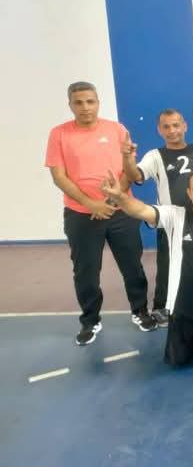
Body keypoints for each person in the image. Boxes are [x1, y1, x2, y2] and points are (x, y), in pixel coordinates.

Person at [45, 81, 156, 346]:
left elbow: (129, 170)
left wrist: (111, 200)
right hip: (80, 214)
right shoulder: (59, 134)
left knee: (132, 265)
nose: (85, 107)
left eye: (90, 101)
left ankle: (140, 311)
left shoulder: (117, 130)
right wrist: (91, 204)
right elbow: (59, 177)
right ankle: (90, 321)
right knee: (86, 272)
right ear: (70, 105)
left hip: (121, 210)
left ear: (98, 102)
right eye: (79, 102)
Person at [101, 169, 193, 366]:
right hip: (181, 313)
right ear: (189, 193)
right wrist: (119, 196)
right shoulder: (174, 216)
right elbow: (140, 210)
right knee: (176, 362)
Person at [122, 108, 193, 326]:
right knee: (168, 266)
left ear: (185, 126)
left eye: (176, 125)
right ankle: (163, 308)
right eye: (166, 126)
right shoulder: (154, 156)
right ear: (159, 130)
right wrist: (128, 158)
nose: (172, 130)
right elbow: (135, 175)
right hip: (170, 222)